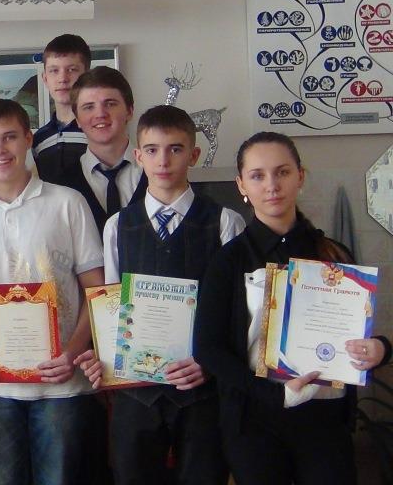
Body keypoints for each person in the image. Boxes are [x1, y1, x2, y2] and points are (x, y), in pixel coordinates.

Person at [195, 131, 391, 485]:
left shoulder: (333, 254)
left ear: (300, 176)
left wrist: (380, 348)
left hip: (325, 418)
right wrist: (274, 394)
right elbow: (208, 348)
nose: (272, 185)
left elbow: (356, 331)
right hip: (254, 422)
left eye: (282, 172)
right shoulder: (228, 260)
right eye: (258, 175)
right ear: (242, 185)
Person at [75, 105, 246, 485]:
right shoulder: (118, 226)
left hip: (201, 388)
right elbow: (113, 304)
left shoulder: (225, 222)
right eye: (152, 150)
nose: (163, 160)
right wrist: (103, 356)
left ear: (194, 155)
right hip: (136, 393)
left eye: (175, 149)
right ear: (138, 156)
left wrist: (209, 362)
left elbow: (236, 313)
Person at [0, 100, 105, 485]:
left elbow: (97, 292)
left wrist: (72, 352)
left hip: (61, 385)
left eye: (9, 138)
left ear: (28, 139)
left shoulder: (68, 203)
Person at [55, 67, 147, 234]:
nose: (100, 114)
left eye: (110, 104)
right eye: (88, 107)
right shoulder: (61, 185)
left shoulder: (159, 172)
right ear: (77, 120)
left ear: (129, 111)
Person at [32, 34, 92, 184]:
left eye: (72, 69)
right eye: (54, 70)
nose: (62, 79)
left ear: (87, 76)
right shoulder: (38, 139)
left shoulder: (97, 130)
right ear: (45, 78)